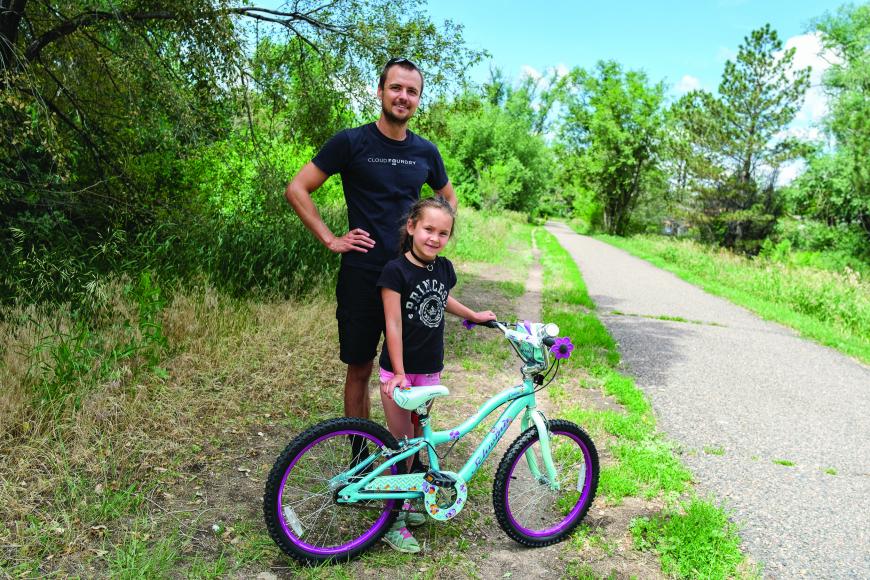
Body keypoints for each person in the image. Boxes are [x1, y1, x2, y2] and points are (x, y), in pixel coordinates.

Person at [284, 59, 458, 438]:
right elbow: (297, 189)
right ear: (380, 92)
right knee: (360, 368)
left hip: (410, 279)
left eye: (412, 92)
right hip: (362, 274)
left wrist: (430, 243)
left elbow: (447, 198)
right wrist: (331, 239)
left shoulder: (426, 152)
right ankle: (360, 458)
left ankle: (410, 458)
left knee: (414, 371)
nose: (403, 97)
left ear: (418, 100)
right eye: (396, 88)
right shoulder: (351, 142)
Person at [377, 197, 496, 553]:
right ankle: (391, 520)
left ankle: (407, 504)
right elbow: (393, 323)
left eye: (443, 233)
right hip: (401, 373)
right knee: (401, 448)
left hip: (430, 371)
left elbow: (443, 299)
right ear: (412, 226)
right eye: (428, 229)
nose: (434, 238)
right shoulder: (395, 272)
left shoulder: (443, 269)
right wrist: (398, 372)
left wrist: (473, 315)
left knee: (417, 437)